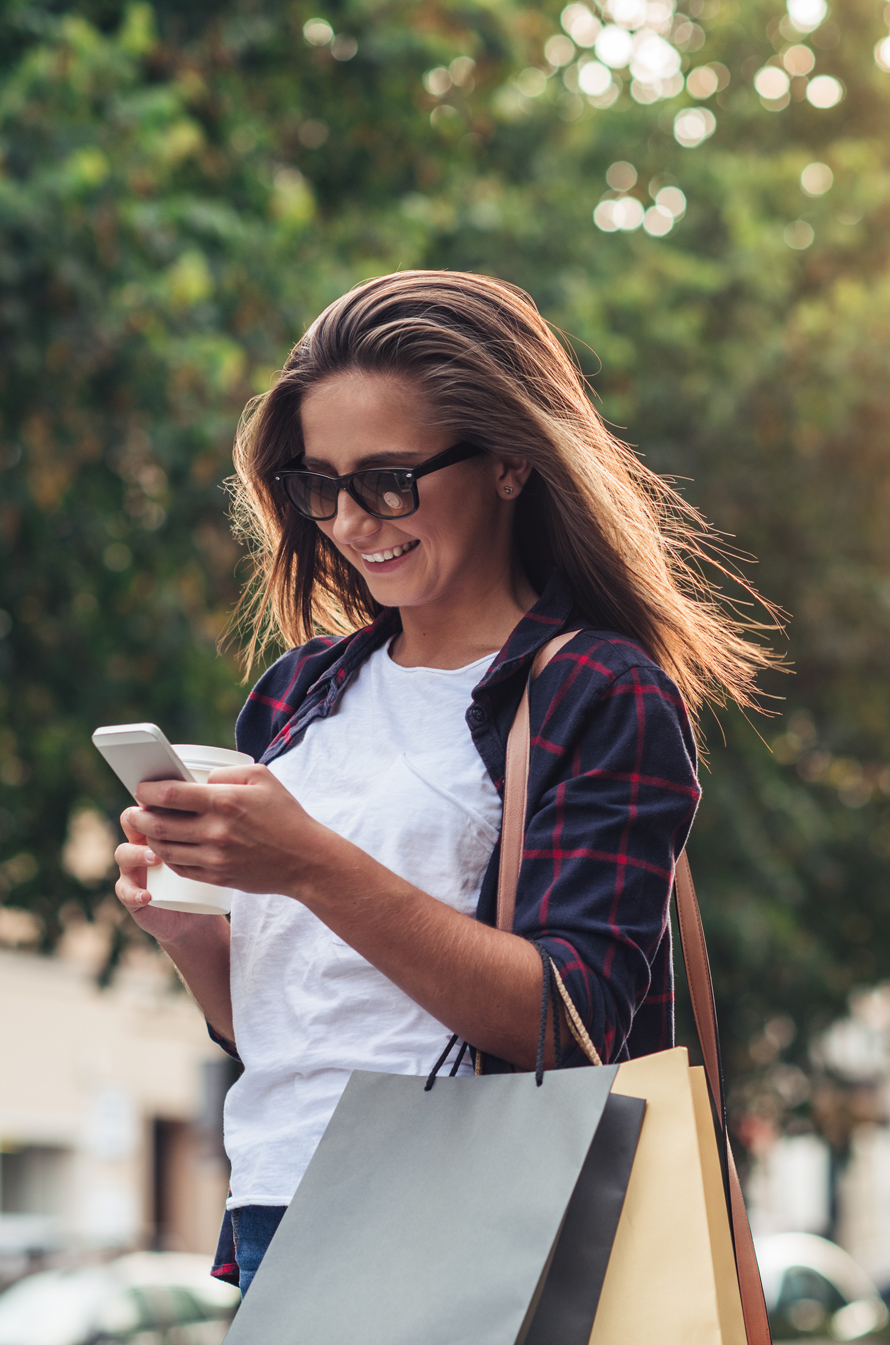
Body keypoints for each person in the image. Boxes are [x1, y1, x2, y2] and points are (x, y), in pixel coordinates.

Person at [110, 271, 777, 1294]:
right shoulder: (297, 694)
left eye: (389, 478)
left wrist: (311, 867)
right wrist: (199, 937)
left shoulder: (596, 692)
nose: (351, 520)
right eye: (317, 485)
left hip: (475, 1217)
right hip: (280, 1204)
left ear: (509, 461)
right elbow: (301, 1026)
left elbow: (572, 1018)